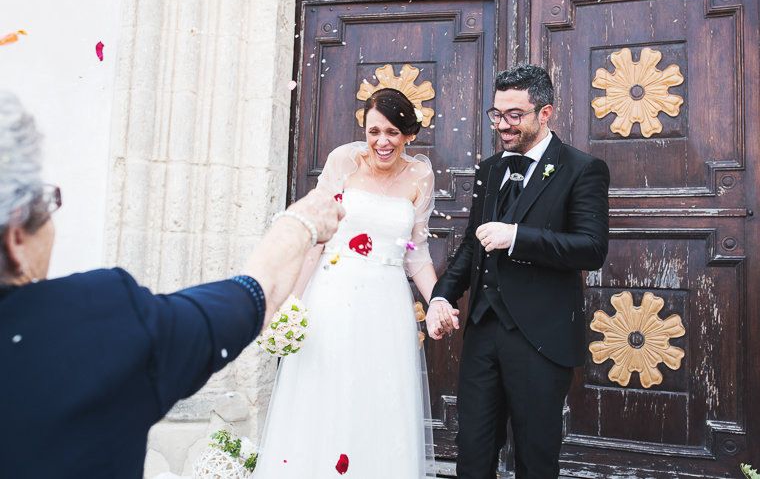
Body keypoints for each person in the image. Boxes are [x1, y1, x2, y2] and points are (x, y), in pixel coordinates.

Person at [0, 91, 345, 478]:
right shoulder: (95, 319)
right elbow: (252, 297)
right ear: (16, 238)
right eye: (48, 204)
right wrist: (302, 223)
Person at [426, 64, 610, 479]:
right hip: (483, 331)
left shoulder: (582, 169)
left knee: (534, 456)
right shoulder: (490, 169)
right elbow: (474, 243)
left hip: (540, 338)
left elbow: (592, 248)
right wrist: (441, 295)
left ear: (545, 113)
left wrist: (518, 236)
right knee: (472, 452)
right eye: (497, 114)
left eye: (514, 115)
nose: (503, 125)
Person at [253, 88, 439, 478]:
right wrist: (291, 301)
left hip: (386, 304)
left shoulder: (421, 175)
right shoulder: (343, 162)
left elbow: (415, 250)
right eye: (374, 131)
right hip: (333, 296)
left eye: (391, 132)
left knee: (379, 400)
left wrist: (437, 300)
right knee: (327, 392)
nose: (381, 141)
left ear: (408, 134)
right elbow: (316, 238)